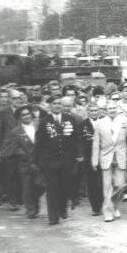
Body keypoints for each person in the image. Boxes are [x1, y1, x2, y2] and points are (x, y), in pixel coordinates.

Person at [33, 95, 79, 225]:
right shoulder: (44, 121)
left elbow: (76, 140)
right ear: (50, 106)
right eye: (55, 103)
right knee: (52, 189)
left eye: (59, 103)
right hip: (50, 161)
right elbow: (39, 142)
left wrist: (77, 156)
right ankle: (53, 217)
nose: (57, 105)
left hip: (66, 161)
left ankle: (62, 209)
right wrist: (38, 161)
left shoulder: (70, 119)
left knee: (64, 187)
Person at [91, 100, 127, 222]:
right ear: (105, 110)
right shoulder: (100, 123)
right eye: (110, 108)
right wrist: (94, 160)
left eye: (114, 108)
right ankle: (108, 212)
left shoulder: (124, 120)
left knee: (121, 185)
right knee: (107, 186)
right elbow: (96, 143)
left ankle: (115, 205)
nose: (112, 110)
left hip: (120, 157)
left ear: (117, 108)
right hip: (106, 157)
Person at [3, 105, 45, 218]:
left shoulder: (39, 125)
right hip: (25, 164)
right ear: (19, 117)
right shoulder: (16, 131)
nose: (26, 116)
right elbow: (8, 148)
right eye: (23, 115)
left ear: (31, 114)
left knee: (41, 186)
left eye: (27, 114)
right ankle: (30, 210)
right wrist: (19, 151)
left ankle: (34, 203)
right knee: (27, 187)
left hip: (40, 162)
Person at [78, 103, 103, 216]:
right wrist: (81, 155)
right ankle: (95, 207)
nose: (94, 112)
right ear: (88, 112)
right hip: (88, 157)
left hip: (103, 155)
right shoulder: (82, 124)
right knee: (92, 183)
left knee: (104, 182)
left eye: (96, 110)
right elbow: (79, 141)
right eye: (91, 111)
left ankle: (104, 203)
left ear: (99, 111)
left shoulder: (104, 122)